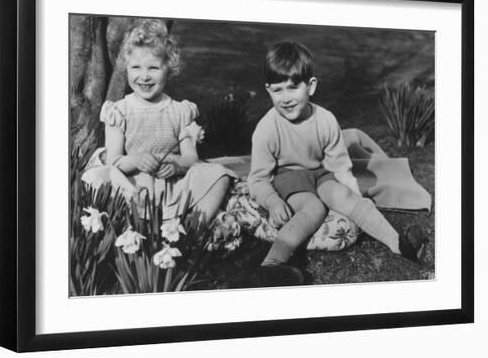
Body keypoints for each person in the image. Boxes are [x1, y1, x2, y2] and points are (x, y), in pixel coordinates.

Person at [247, 41, 425, 286]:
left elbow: (340, 165)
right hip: (289, 176)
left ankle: (398, 244)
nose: (286, 98)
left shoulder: (325, 120)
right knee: (313, 208)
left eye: (293, 87)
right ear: (268, 90)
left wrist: (353, 195)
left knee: (344, 195)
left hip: (321, 173)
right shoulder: (267, 128)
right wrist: (273, 200)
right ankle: (271, 266)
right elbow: (257, 179)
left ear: (310, 86)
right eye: (278, 90)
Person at [98, 18, 235, 222]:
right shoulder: (119, 111)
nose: (144, 76)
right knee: (96, 177)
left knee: (219, 174)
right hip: (134, 185)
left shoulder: (180, 111)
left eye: (153, 68)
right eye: (136, 67)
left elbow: (190, 158)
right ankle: (133, 224)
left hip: (170, 183)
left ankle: (193, 229)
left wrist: (177, 166)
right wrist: (136, 160)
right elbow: (113, 162)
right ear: (126, 68)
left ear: (169, 68)